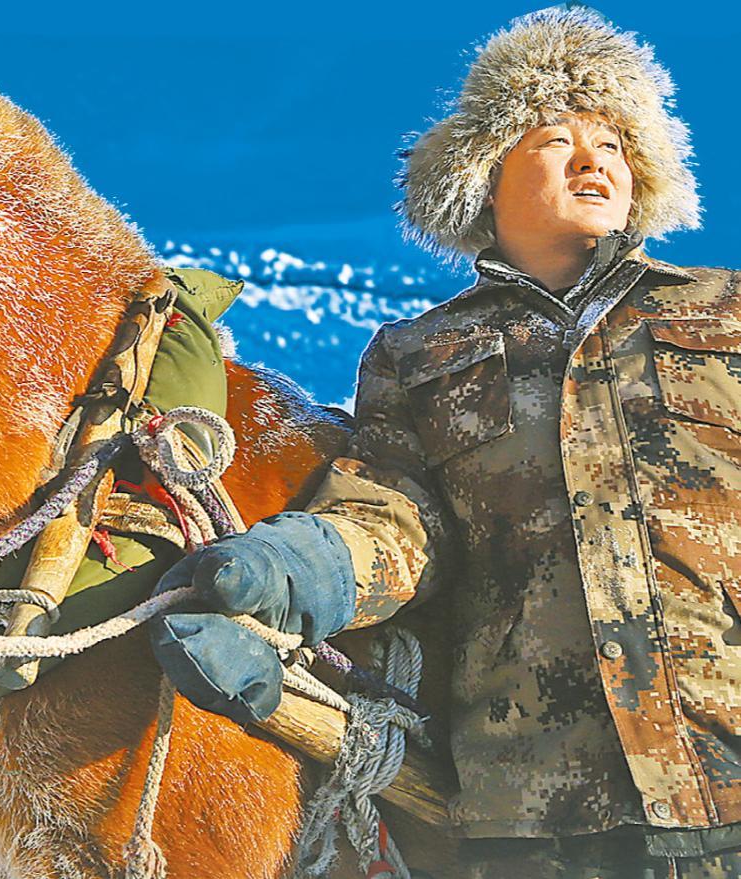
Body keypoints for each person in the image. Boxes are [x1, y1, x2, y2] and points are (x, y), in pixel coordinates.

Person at [149, 8, 740, 878]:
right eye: (557, 139)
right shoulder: (419, 354)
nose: (594, 160)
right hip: (536, 817)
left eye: (613, 143)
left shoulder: (726, 311)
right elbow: (394, 519)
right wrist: (291, 573)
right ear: (484, 174)